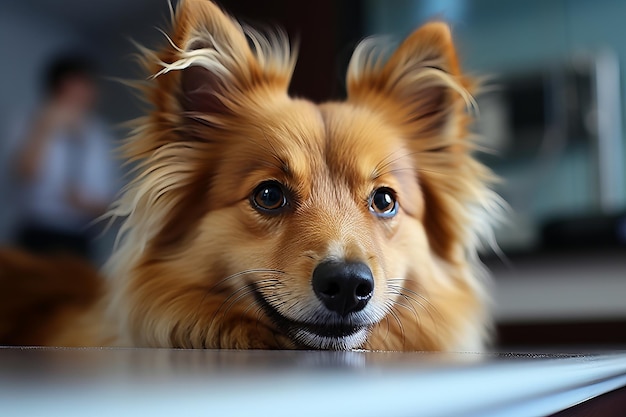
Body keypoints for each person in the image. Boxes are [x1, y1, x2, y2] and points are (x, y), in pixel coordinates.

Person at [10, 54, 117, 260]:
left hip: (80, 238)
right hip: (35, 232)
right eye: (71, 86)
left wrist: (86, 204)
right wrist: (44, 127)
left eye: (86, 86)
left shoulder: (102, 136)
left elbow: (110, 206)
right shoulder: (29, 121)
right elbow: (23, 173)